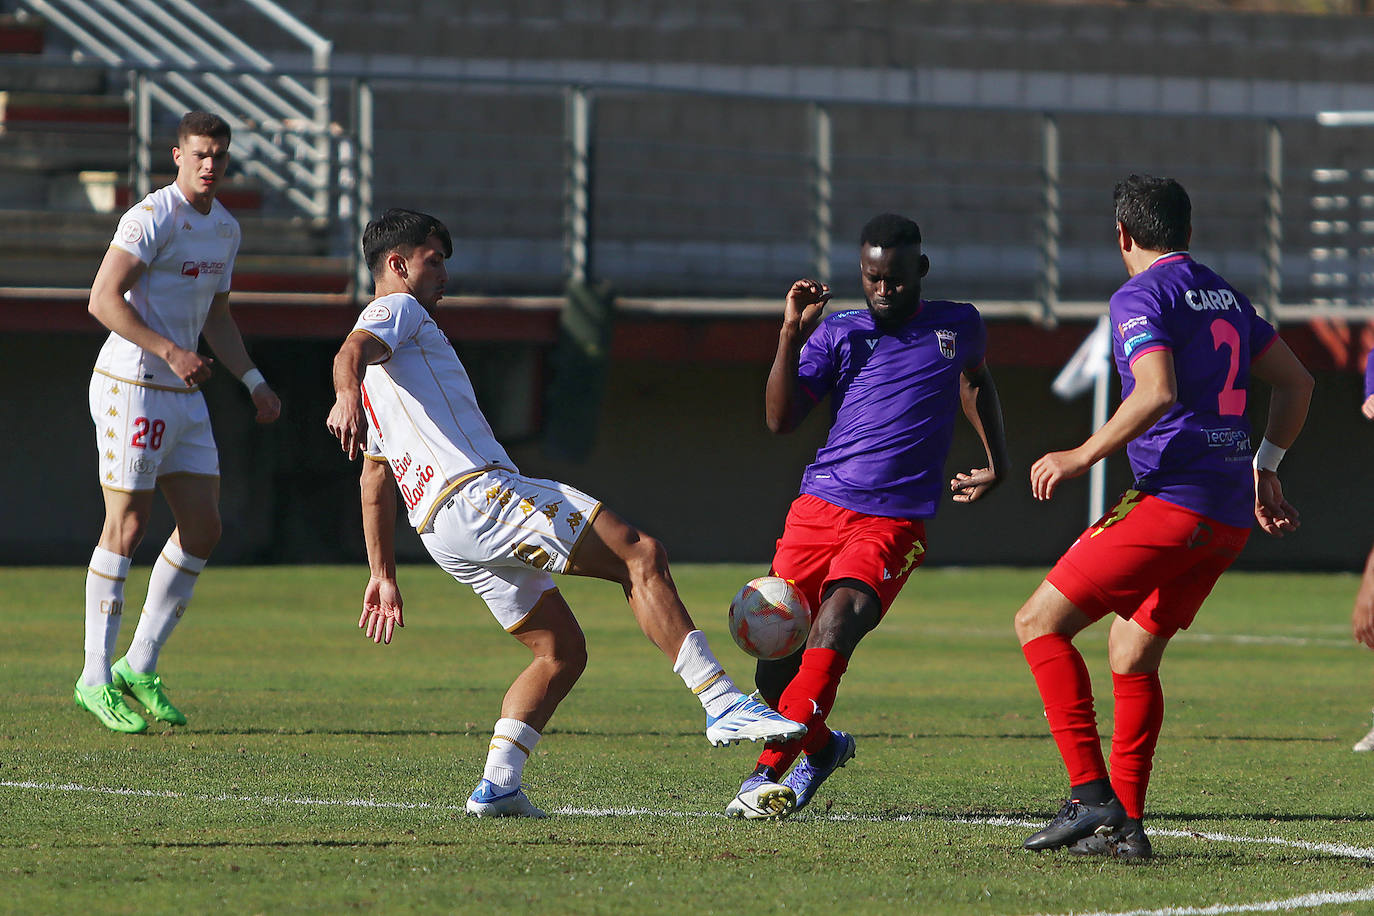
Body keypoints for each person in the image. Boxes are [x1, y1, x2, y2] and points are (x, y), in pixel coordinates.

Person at [324, 208, 804, 818]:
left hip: (442, 533)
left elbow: (374, 479)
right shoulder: (398, 312)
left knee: (561, 651)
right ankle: (721, 700)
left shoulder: (383, 377)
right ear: (398, 265)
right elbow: (353, 346)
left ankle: (498, 785)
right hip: (480, 495)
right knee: (641, 554)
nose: (444, 274)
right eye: (434, 260)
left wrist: (382, 573)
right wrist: (342, 391)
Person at [1014, 174, 1313, 860]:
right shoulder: (1226, 295)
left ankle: (1090, 797)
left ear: (1124, 236)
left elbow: (1156, 391)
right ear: (1187, 231)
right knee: (1131, 650)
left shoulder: (1141, 294)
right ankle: (1128, 827)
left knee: (1038, 623)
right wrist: (1266, 465)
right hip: (1228, 516)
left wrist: (1080, 455)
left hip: (1174, 504)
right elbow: (1299, 381)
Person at [725, 212, 1009, 819]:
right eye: (872, 279)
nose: (883, 291)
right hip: (817, 509)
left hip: (891, 523)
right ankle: (822, 750)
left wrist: (997, 462)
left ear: (921, 271)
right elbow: (779, 421)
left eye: (896, 280)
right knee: (777, 670)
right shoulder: (841, 335)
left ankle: (764, 775)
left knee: (835, 627)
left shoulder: (959, 325)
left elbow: (975, 382)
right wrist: (789, 337)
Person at [76, 110, 282, 733]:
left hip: (184, 390)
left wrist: (254, 380)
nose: (209, 164)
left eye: (218, 154)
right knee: (129, 524)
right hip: (133, 385)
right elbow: (102, 297)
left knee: (203, 527)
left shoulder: (224, 229)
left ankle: (140, 664)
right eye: (199, 153)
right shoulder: (151, 217)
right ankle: (94, 676)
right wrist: (170, 349)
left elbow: (216, 315)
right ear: (177, 155)